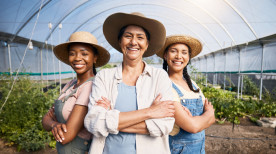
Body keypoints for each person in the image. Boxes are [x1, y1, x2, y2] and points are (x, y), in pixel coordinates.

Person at [84, 12, 175, 154]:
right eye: (128, 36)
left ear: (147, 44)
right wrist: (150, 112)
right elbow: (93, 122)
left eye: (140, 37)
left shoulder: (160, 77)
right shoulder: (104, 77)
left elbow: (165, 125)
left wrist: (110, 119)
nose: (133, 42)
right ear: (120, 41)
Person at [42, 31, 110, 154]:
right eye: (72, 54)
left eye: (84, 53)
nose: (77, 58)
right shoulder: (71, 84)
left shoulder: (90, 86)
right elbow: (45, 120)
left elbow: (65, 137)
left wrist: (52, 122)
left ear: (94, 58)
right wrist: (54, 125)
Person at [156, 35, 215, 154]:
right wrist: (207, 115)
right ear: (165, 55)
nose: (179, 56)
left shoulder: (192, 84)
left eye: (184, 52)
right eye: (173, 51)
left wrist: (196, 119)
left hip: (200, 149)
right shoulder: (165, 86)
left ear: (188, 57)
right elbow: (193, 127)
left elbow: (212, 118)